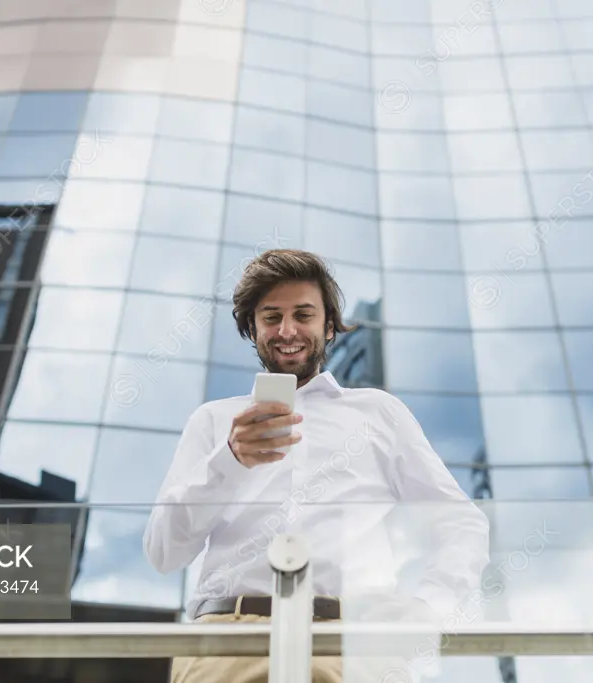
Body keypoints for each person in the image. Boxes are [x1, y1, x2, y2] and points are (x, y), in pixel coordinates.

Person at [144, 249, 490, 683]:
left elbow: (460, 522)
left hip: (356, 644)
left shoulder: (379, 413)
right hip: (226, 644)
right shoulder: (214, 422)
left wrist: (426, 610)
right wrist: (229, 461)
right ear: (253, 328)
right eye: (271, 317)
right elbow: (163, 553)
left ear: (328, 327)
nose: (287, 330)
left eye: (302, 315)